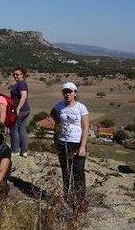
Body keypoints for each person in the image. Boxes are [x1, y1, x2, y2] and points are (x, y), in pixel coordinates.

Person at [50, 82, 89, 210]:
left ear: (75, 93)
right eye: (65, 91)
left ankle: (81, 201)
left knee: (78, 172)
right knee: (65, 171)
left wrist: (82, 147)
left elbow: (85, 128)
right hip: (62, 142)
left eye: (70, 91)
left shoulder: (81, 108)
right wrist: (56, 131)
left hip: (76, 143)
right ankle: (68, 197)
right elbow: (51, 118)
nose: (67, 94)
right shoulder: (59, 106)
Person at [9, 67, 30, 156]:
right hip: (25, 109)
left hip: (20, 110)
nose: (15, 76)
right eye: (14, 74)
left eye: (17, 74)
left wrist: (18, 108)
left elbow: (24, 96)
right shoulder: (21, 83)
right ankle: (24, 150)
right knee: (22, 129)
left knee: (14, 129)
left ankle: (15, 150)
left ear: (23, 75)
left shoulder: (21, 84)